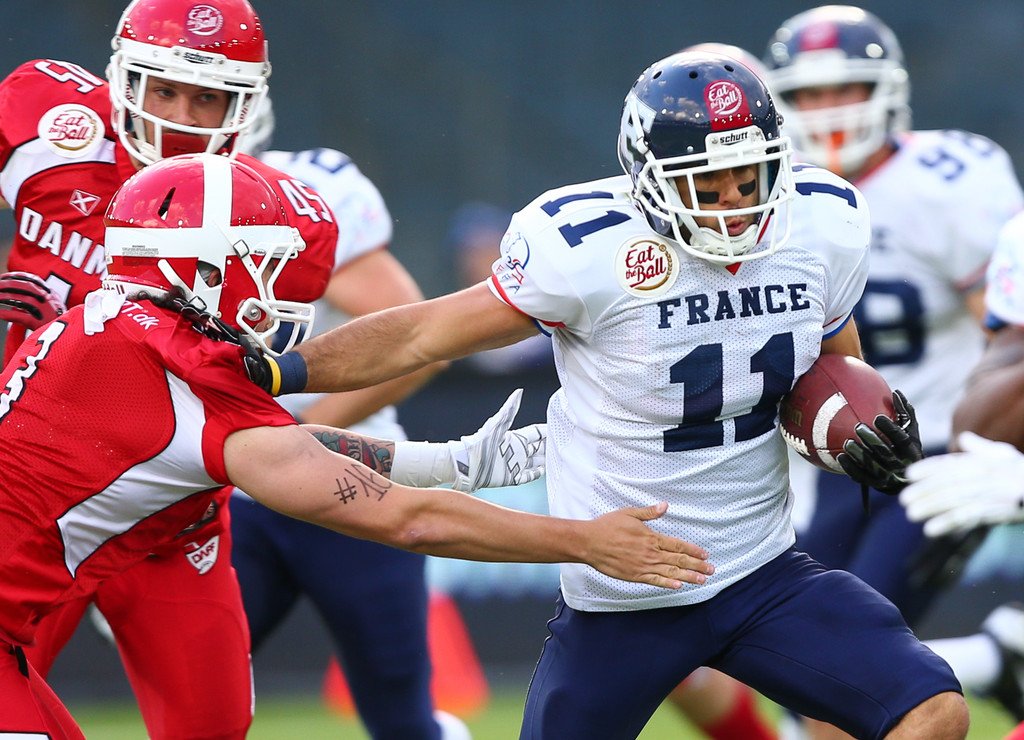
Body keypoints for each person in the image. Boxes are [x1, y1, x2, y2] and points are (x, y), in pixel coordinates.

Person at [241, 50, 968, 739]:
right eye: (706, 183)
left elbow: (833, 367)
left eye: (748, 178)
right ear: (647, 177)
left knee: (933, 709)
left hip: (762, 572)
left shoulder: (821, 222)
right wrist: (282, 372)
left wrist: (855, 428)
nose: (732, 204)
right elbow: (421, 334)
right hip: (623, 593)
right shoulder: (587, 247)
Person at [0, 150, 709, 737]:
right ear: (204, 270)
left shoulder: (111, 319)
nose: (279, 290)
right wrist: (584, 541)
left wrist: (454, 462)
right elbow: (409, 520)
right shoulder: (186, 377)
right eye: (261, 262)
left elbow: (281, 445)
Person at [0, 1, 334, 736]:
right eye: (165, 90)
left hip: (172, 518)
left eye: (208, 98)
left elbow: (262, 354)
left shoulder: (269, 213)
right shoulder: (48, 125)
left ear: (244, 104)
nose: (181, 118)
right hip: (39, 504)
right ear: (123, 78)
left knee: (212, 728)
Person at [760, 6, 1024, 733]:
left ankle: (984, 665)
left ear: (888, 91)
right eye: (808, 94)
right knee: (791, 653)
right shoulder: (766, 196)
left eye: (844, 88)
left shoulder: (950, 180)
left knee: (845, 663)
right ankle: (994, 661)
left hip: (937, 449)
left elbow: (1009, 336)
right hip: (837, 456)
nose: (828, 110)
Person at [229, 99, 474, 739]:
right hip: (225, 489)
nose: (182, 118)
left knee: (400, 718)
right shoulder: (119, 198)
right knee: (194, 699)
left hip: (344, 477)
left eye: (205, 99)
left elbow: (418, 345)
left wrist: (294, 436)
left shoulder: (301, 194)